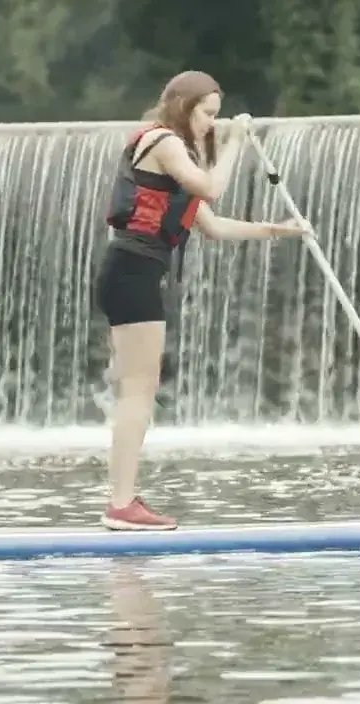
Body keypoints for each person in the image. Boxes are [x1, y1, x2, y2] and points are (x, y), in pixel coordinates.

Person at [95, 70, 307, 531]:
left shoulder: (176, 167)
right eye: (207, 114)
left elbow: (213, 225)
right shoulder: (163, 141)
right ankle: (121, 503)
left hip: (138, 274)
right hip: (131, 272)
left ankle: (124, 498)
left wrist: (280, 230)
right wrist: (235, 141)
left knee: (140, 388)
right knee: (138, 390)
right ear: (183, 105)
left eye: (216, 117)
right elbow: (211, 187)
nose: (211, 124)